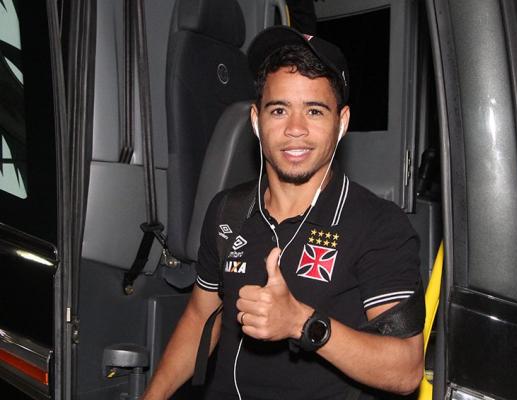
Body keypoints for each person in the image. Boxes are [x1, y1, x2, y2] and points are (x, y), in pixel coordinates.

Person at [143, 26, 424, 400]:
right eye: (279, 110)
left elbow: (405, 369)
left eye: (314, 111)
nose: (295, 129)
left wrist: (301, 323)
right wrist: (153, 396)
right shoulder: (227, 212)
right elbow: (199, 317)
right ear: (256, 120)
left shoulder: (379, 225)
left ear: (341, 122)